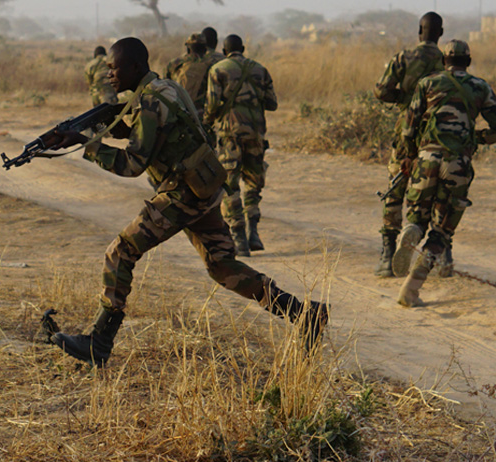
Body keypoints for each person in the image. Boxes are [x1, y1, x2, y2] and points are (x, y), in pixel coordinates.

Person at [43, 37, 326, 366]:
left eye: (114, 68)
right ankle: (305, 315)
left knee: (120, 252)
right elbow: (147, 131)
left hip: (183, 194)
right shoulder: (165, 88)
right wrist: (99, 127)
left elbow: (132, 164)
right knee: (223, 267)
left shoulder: (149, 101)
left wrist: (87, 145)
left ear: (135, 67)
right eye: (107, 69)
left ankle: (100, 341)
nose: (110, 75)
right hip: (204, 187)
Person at [394, 40, 496, 307]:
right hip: (457, 164)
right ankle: (410, 290)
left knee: (418, 216)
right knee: (442, 232)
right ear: (467, 61)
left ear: (444, 61)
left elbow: (408, 128)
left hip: (426, 158)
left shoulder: (427, 84)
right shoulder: (480, 87)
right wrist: (474, 137)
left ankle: (411, 229)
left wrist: (410, 156)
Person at [372, 12, 447, 277]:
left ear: (419, 31)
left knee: (395, 189)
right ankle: (441, 254)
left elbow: (381, 91)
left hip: (405, 131)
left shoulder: (403, 58)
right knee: (439, 192)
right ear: (440, 33)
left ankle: (386, 253)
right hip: (437, 134)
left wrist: (404, 99)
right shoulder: (446, 60)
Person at [204, 35, 277, 255]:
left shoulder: (218, 70)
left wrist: (206, 125)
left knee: (229, 184)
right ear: (243, 49)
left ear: (224, 50)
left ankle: (238, 237)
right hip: (255, 133)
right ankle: (253, 231)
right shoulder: (260, 69)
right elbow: (272, 103)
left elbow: (212, 105)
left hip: (229, 134)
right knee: (254, 181)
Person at [164, 28, 224, 116]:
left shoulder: (175, 64)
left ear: (188, 48)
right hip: (200, 113)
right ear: (204, 48)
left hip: (177, 112)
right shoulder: (213, 65)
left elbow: (166, 85)